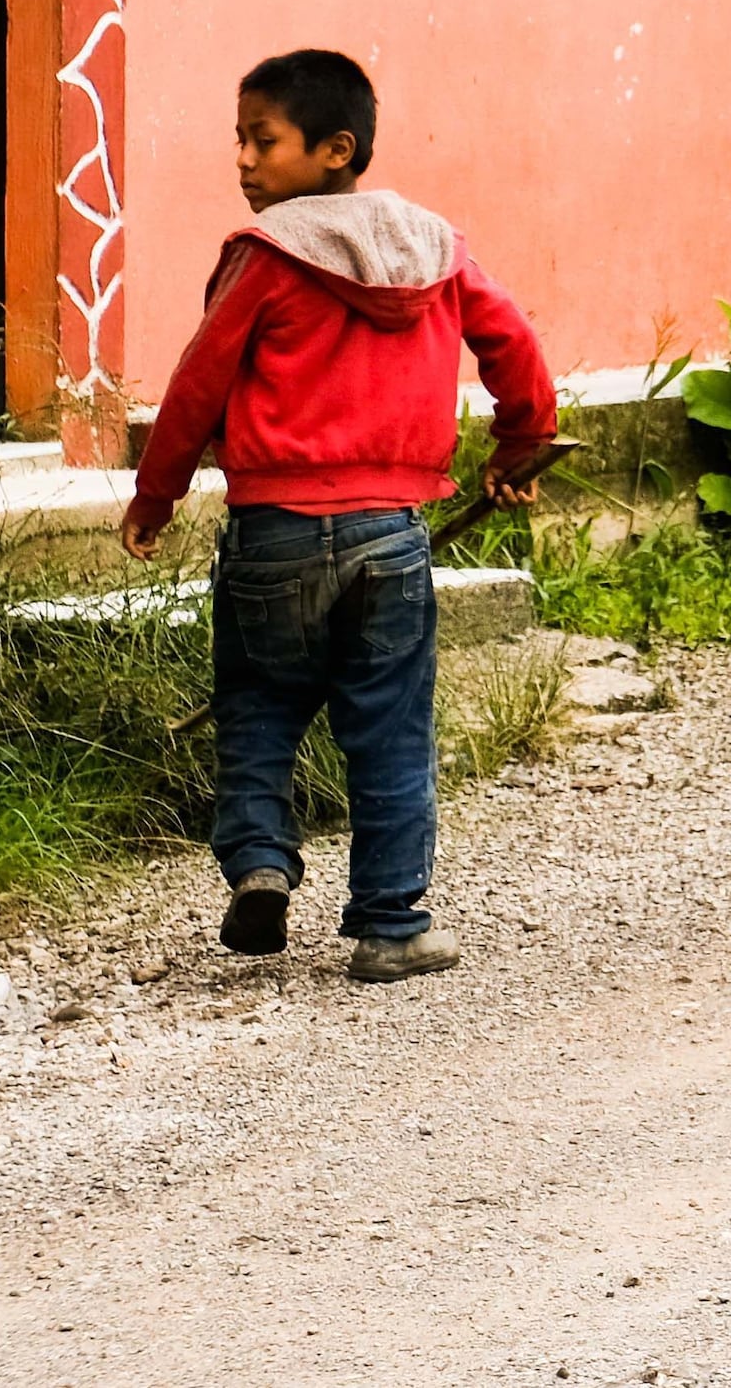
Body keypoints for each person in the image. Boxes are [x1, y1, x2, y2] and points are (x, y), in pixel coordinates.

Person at [120, 48, 557, 982]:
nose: (241, 158)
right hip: (392, 536)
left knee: (257, 707)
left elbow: (198, 385)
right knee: (390, 725)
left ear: (334, 149)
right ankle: (392, 923)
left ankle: (261, 865)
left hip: (274, 534)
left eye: (262, 139)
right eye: (239, 138)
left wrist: (156, 494)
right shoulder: (436, 246)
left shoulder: (264, 258)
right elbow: (511, 341)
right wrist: (520, 446)